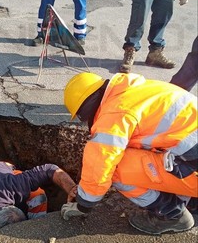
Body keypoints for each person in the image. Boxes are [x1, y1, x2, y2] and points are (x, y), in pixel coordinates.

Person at [61, 72, 197, 235]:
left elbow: (100, 164)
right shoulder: (133, 91)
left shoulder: (113, 114)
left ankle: (172, 214)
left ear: (84, 111)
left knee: (117, 169)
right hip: (191, 162)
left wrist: (84, 203)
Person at [0, 161, 77, 230]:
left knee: (38, 195)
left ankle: (37, 222)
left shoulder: (13, 186)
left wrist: (72, 188)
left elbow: (50, 169)